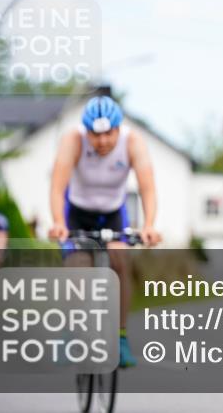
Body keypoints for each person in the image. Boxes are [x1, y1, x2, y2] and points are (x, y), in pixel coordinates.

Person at [47, 95, 161, 368]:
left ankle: (120, 338)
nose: (102, 142)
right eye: (95, 135)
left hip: (112, 213)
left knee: (120, 261)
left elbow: (148, 188)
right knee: (78, 267)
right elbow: (56, 187)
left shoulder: (133, 143)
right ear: (86, 131)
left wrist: (149, 226)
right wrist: (58, 222)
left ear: (118, 129)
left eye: (108, 134)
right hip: (77, 213)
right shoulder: (72, 141)